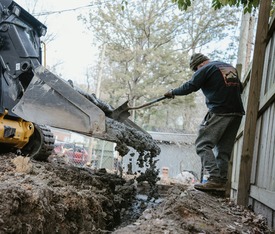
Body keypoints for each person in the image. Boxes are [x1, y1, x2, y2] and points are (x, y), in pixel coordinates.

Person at [164, 53, 245, 192]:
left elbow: (191, 86)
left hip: (220, 111)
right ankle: (220, 184)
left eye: (196, 70)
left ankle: (214, 178)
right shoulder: (228, 67)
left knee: (202, 144)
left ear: (199, 65)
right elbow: (241, 88)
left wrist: (173, 92)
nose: (197, 72)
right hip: (237, 113)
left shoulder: (205, 68)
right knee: (223, 151)